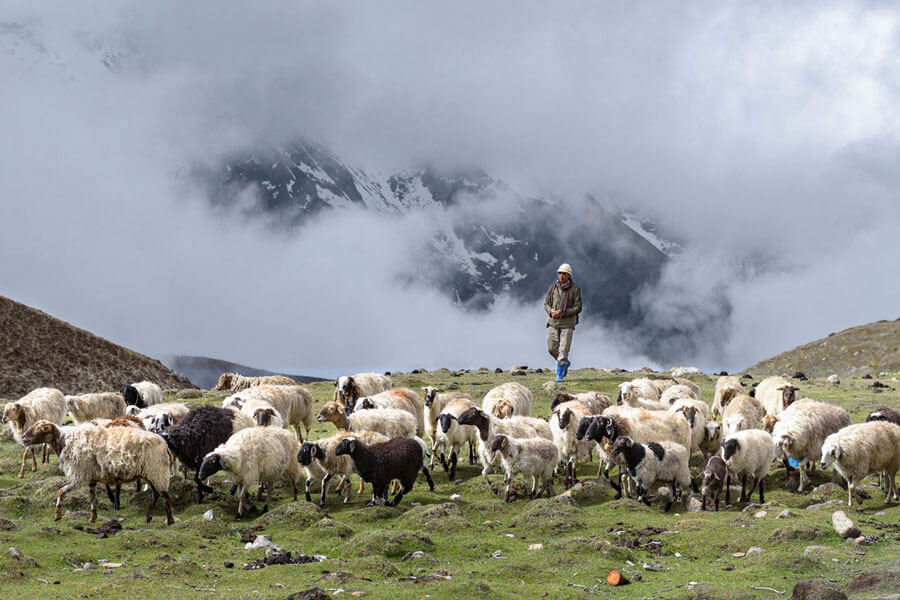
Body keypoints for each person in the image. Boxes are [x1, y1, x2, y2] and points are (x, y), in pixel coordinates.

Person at [544, 263, 582, 382]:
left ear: (568, 275)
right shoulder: (553, 288)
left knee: (564, 349)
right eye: (560, 273)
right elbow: (546, 303)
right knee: (551, 348)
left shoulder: (575, 289)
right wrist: (551, 311)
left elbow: (578, 307)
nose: (561, 275)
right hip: (553, 322)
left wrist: (563, 312)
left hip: (567, 323)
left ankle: (559, 375)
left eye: (564, 274)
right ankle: (564, 363)